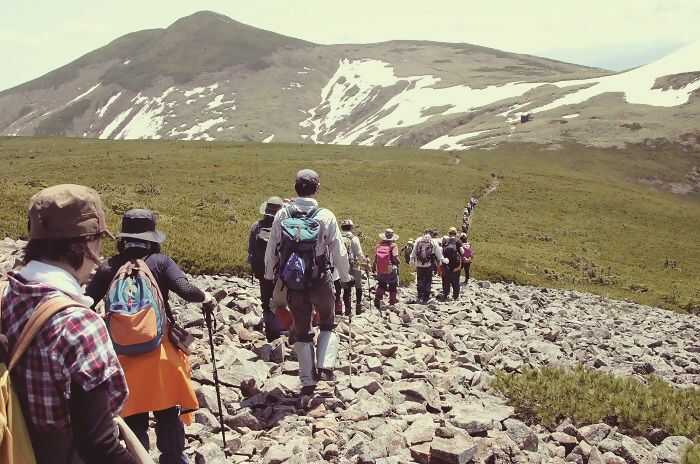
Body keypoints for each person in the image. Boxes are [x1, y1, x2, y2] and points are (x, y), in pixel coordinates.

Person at [0, 184, 137, 463]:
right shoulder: (80, 326)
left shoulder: (8, 295)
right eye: (99, 240)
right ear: (85, 243)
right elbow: (99, 446)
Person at [86, 208, 216, 464]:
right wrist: (207, 297)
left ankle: (139, 458)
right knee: (168, 411)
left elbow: (87, 303)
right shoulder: (160, 262)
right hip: (160, 352)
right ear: (151, 236)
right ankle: (173, 458)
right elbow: (186, 290)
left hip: (122, 354)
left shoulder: (109, 267)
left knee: (134, 417)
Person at [264, 169, 352, 406]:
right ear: (317, 188)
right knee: (327, 321)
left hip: (294, 282)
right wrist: (345, 277)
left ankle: (307, 379)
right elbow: (339, 250)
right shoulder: (326, 215)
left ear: (295, 188)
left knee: (302, 329)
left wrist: (269, 275)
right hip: (320, 278)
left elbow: (272, 247)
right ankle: (325, 366)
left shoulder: (283, 213)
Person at [248, 196, 284, 341]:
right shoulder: (284, 226)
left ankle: (271, 334)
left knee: (266, 302)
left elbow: (251, 251)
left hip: (263, 273)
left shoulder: (257, 226)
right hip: (281, 273)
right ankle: (284, 328)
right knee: (282, 301)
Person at [410, 229, 446, 304]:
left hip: (419, 264)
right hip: (429, 265)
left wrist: (412, 259)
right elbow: (438, 253)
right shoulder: (433, 241)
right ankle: (426, 297)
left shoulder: (418, 240)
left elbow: (414, 251)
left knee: (419, 279)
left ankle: (420, 295)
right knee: (428, 280)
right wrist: (442, 259)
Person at [340, 219, 366, 315]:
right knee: (358, 285)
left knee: (346, 287)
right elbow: (359, 254)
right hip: (354, 264)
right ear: (351, 227)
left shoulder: (338, 237)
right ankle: (358, 306)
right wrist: (365, 260)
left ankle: (347, 309)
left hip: (342, 265)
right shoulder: (354, 238)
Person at [372, 229, 400, 310]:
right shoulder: (393, 245)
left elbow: (376, 257)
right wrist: (398, 262)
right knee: (393, 284)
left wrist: (374, 266)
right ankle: (392, 301)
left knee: (381, 284)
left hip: (380, 267)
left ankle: (377, 299)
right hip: (390, 267)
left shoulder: (379, 245)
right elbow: (395, 257)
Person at [441, 227, 464, 301]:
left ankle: (445, 294)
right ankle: (455, 296)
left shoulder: (445, 241)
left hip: (446, 264)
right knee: (456, 280)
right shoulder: (458, 241)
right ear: (456, 233)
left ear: (449, 233)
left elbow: (441, 251)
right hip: (456, 265)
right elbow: (462, 252)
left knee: (445, 280)